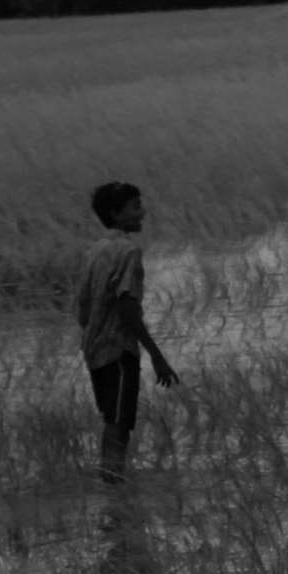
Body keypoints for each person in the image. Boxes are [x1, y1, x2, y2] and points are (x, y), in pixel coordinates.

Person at [75, 180, 178, 480]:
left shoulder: (94, 251)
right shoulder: (129, 252)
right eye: (135, 207)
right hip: (119, 349)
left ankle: (110, 484)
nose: (142, 213)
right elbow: (126, 307)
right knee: (120, 422)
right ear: (116, 214)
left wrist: (91, 336)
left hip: (94, 349)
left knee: (111, 418)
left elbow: (82, 306)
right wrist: (156, 355)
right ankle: (114, 488)